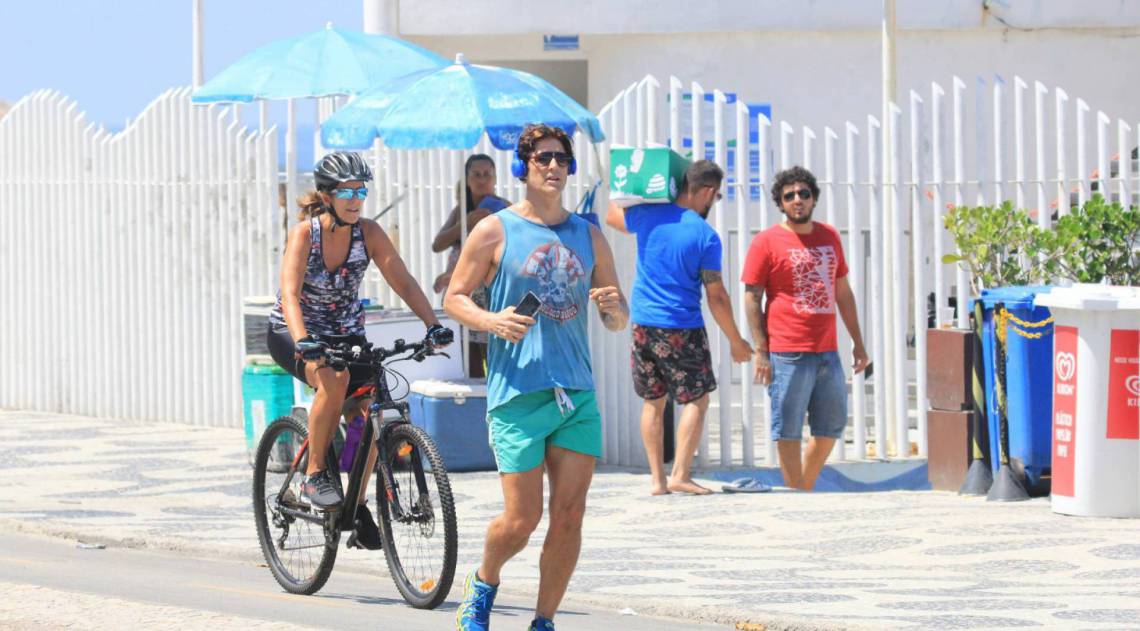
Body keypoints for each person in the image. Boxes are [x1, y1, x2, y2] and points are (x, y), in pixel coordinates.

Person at [444, 124, 629, 631]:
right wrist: (491, 320)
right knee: (521, 521)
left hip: (575, 393)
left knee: (569, 516)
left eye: (563, 159)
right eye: (544, 158)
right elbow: (454, 297)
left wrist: (614, 308)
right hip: (518, 392)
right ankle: (483, 581)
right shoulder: (494, 229)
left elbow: (617, 317)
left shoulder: (589, 235)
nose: (554, 167)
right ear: (524, 167)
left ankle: (543, 621)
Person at [265, 151, 452, 549]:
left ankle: (358, 502)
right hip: (293, 330)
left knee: (368, 412)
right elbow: (290, 294)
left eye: (360, 191)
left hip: (346, 333)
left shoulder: (368, 232)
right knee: (334, 381)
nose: (355, 199)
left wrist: (432, 325)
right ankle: (315, 474)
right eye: (346, 191)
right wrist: (304, 342)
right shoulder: (305, 234)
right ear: (326, 195)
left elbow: (402, 280)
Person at [605, 160, 752, 496]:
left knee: (653, 401)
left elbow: (613, 215)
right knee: (697, 400)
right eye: (713, 198)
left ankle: (657, 480)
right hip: (681, 326)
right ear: (707, 192)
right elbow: (717, 297)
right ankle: (680, 475)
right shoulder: (705, 236)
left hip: (643, 324)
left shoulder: (648, 216)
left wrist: (636, 187)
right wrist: (736, 341)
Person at [741, 166, 869, 491]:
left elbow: (842, 291)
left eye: (804, 194)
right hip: (787, 351)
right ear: (781, 204)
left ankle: (802, 487)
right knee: (788, 429)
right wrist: (761, 350)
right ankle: (796, 491)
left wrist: (858, 342)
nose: (798, 200)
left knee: (832, 425)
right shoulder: (766, 242)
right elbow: (751, 298)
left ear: (813, 199)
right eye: (790, 196)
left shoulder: (829, 236)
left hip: (827, 350)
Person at [432, 154, 511, 377]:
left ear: (495, 178)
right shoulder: (461, 211)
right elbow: (438, 244)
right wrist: (465, 222)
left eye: (487, 174)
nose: (482, 179)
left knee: (492, 358)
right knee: (469, 362)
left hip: (488, 295)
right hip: (462, 295)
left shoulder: (503, 208)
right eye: (476, 174)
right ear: (466, 179)